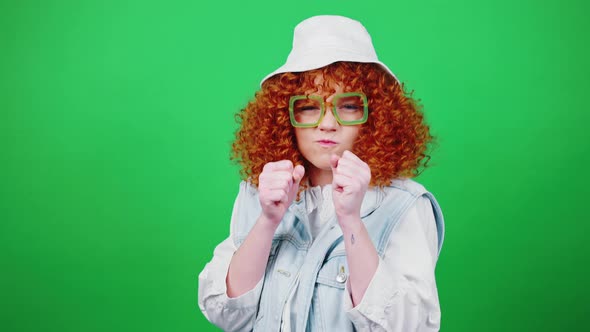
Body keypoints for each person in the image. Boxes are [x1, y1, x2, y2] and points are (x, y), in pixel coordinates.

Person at [198, 15, 445, 332]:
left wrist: (351, 219)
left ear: (374, 117)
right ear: (286, 115)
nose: (327, 124)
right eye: (309, 106)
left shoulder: (404, 205)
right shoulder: (260, 193)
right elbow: (226, 312)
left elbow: (407, 326)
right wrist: (268, 220)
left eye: (349, 106)